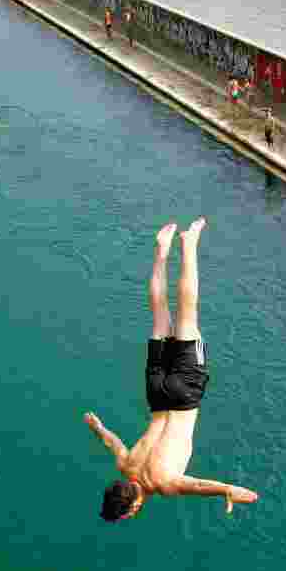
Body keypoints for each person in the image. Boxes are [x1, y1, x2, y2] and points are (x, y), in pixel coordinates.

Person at [86, 218, 259, 522]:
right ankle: (162, 250)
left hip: (184, 395)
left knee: (188, 314)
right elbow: (112, 442)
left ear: (134, 506)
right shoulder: (126, 466)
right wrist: (98, 427)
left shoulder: (163, 484)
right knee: (160, 315)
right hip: (156, 393)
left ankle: (189, 244)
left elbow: (197, 485)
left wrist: (227, 490)